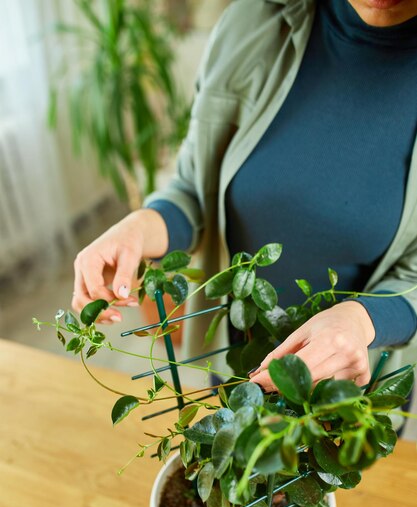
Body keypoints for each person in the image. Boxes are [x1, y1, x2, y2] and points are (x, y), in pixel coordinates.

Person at [72, 0, 417, 391]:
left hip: (353, 397)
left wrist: (361, 320)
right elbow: (194, 191)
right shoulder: (252, 23)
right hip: (236, 368)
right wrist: (137, 228)